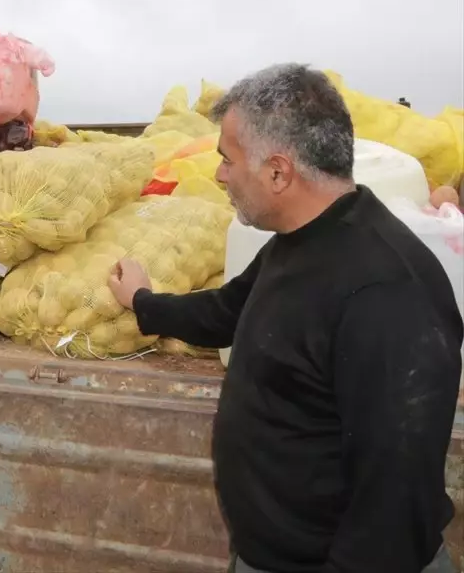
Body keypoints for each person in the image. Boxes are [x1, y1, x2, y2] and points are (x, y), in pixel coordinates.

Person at [108, 63, 462, 573]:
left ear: (278, 172)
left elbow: (392, 504)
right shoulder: (301, 240)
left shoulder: (385, 292)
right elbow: (229, 309)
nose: (218, 175)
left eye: (228, 160)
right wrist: (144, 303)